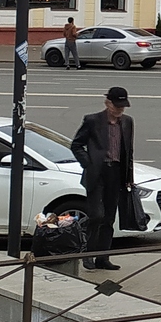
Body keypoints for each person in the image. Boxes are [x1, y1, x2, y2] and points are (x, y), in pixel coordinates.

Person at [68, 87, 135, 270]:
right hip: (96, 173)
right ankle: (88, 255)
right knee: (96, 215)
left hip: (116, 173)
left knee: (109, 218)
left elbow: (128, 152)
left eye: (123, 106)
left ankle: (103, 258)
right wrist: (88, 164)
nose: (120, 110)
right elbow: (77, 145)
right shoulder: (92, 120)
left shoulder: (127, 122)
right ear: (107, 103)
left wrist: (129, 177)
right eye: (117, 106)